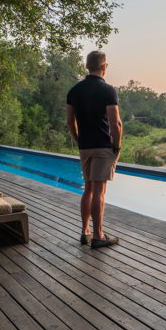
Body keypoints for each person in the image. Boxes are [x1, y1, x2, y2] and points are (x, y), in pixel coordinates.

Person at [66, 50, 122, 249]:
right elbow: (115, 123)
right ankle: (99, 235)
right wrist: (117, 146)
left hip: (85, 146)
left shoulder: (74, 91)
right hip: (102, 146)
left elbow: (70, 122)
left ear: (87, 67)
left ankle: (85, 232)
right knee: (99, 191)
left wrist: (78, 139)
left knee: (88, 189)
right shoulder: (108, 90)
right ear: (104, 67)